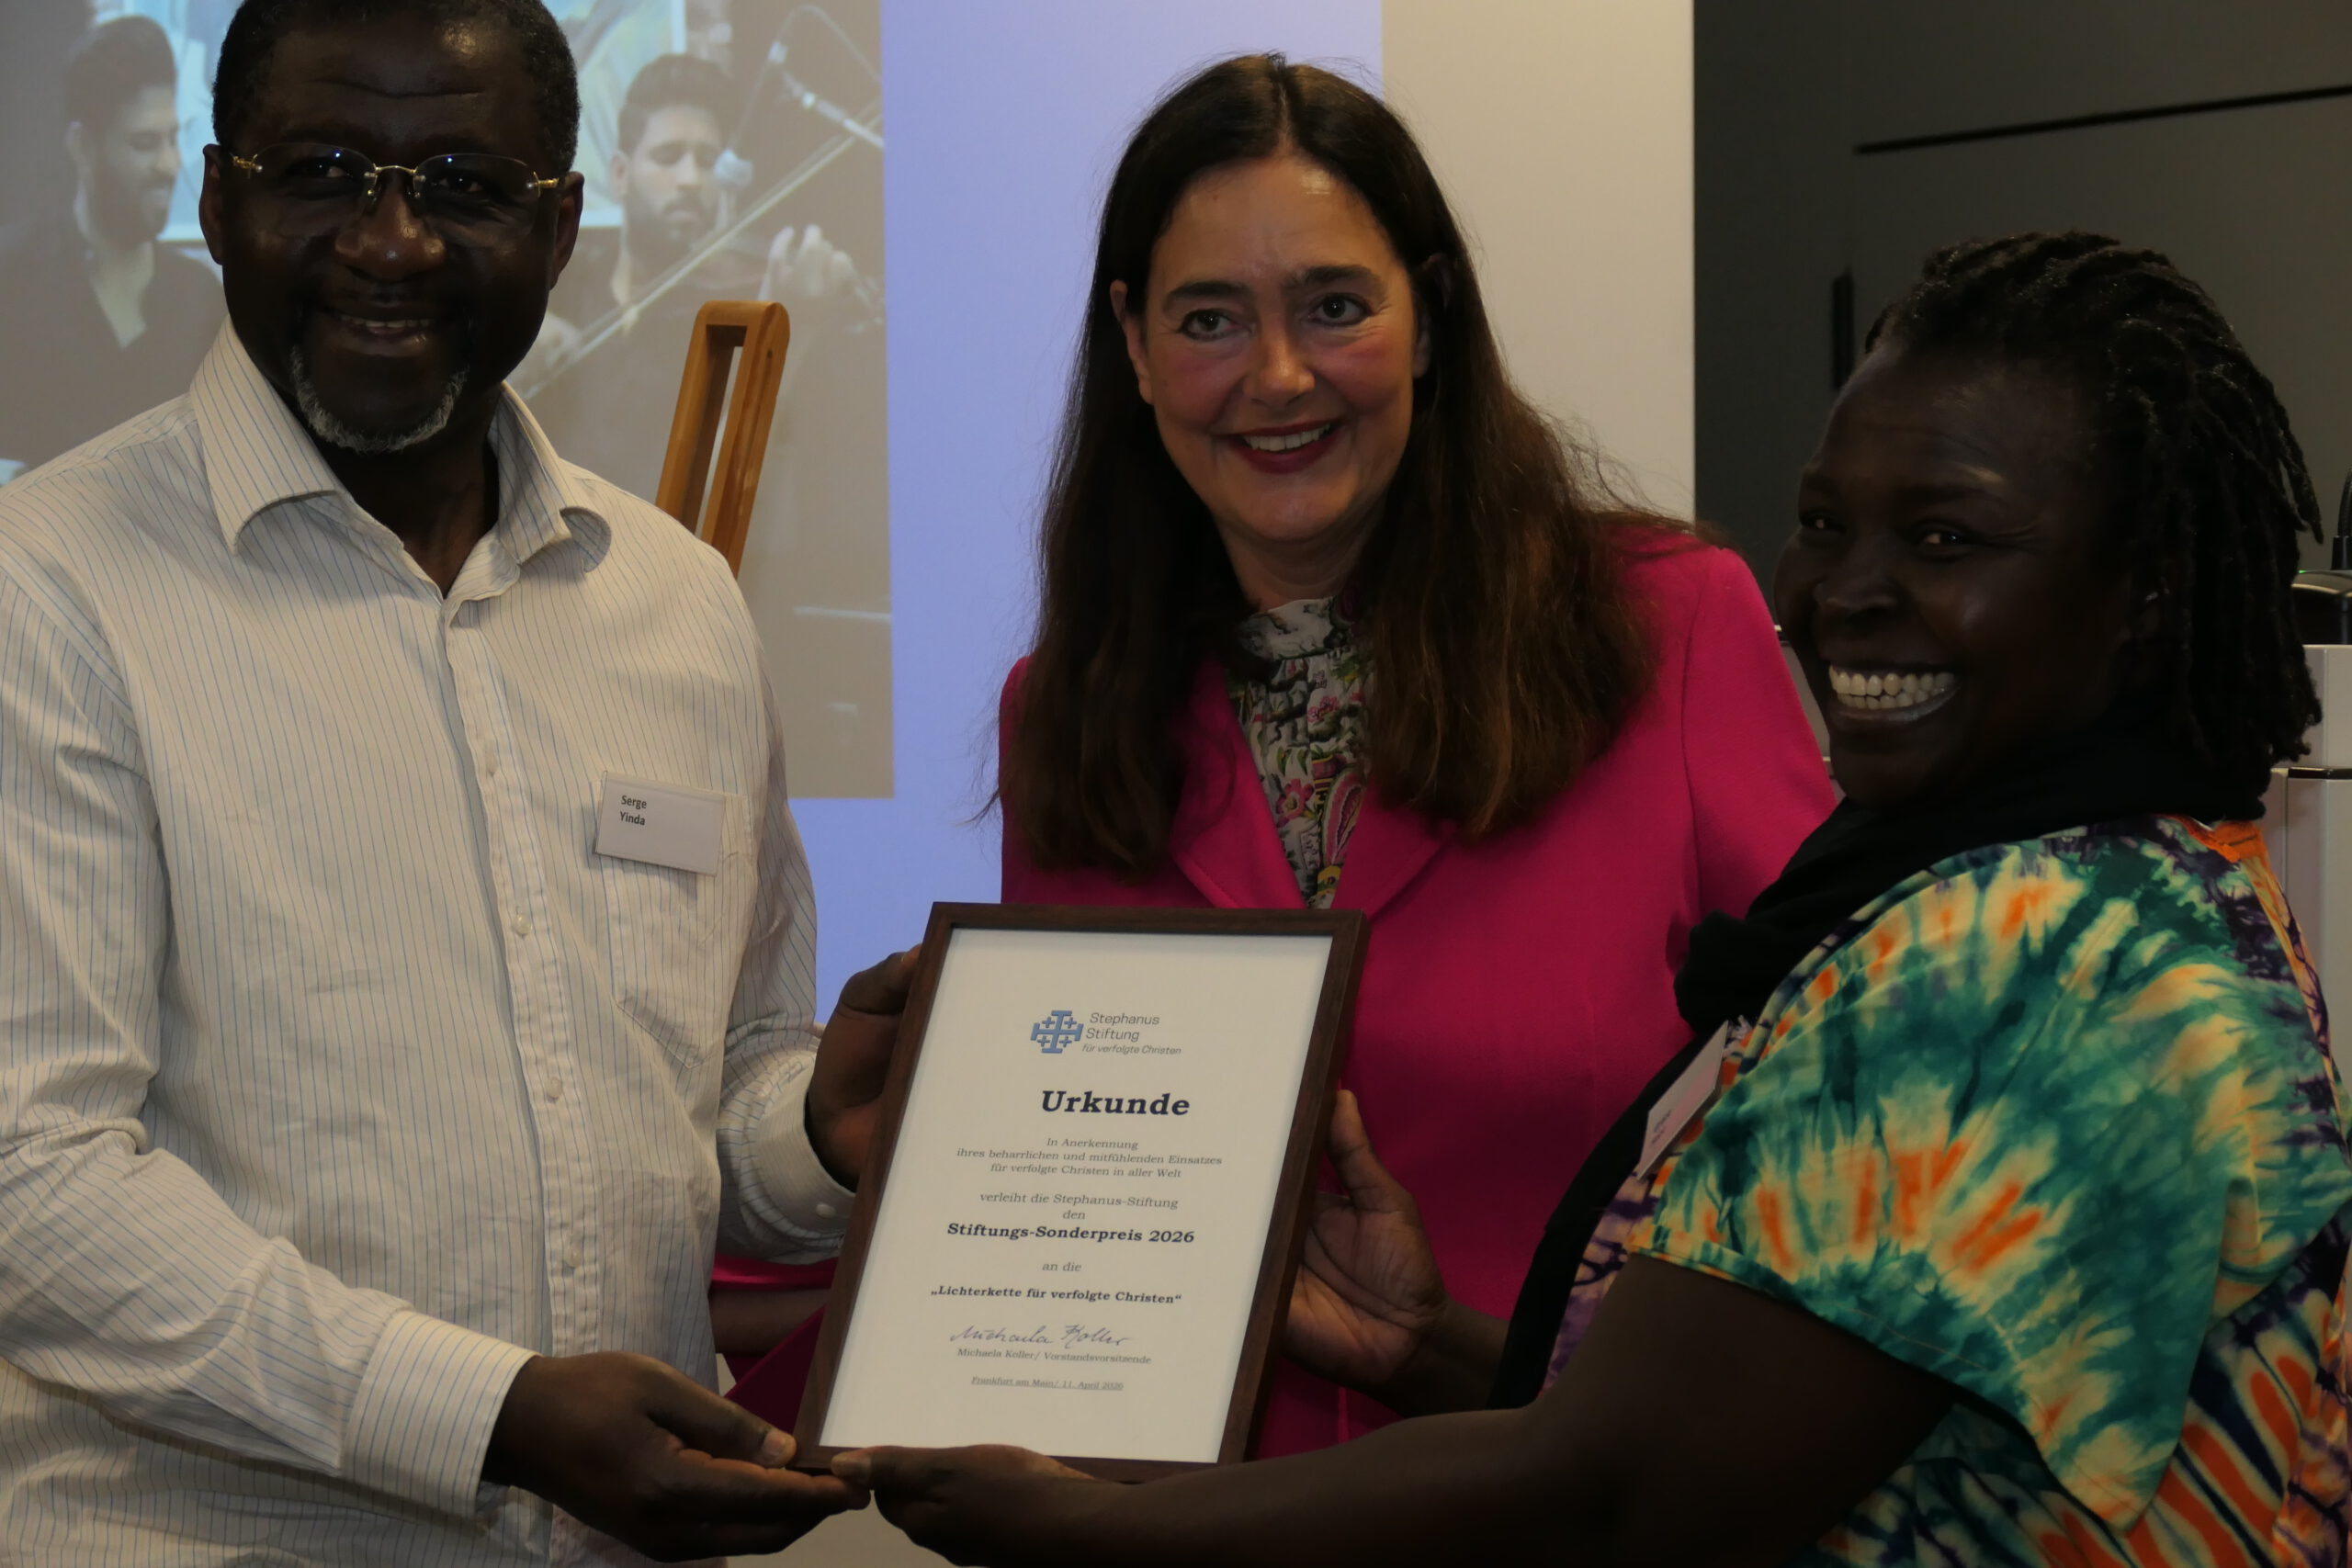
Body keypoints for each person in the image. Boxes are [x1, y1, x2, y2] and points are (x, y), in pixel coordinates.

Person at [840, 231, 2352, 1564]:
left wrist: (1089, 1526)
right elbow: (1758, 1415)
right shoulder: (2124, 887)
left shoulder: (2031, 956)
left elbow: (1621, 1494)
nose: (1845, 590)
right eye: (1828, 522)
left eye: (1946, 539)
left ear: (2146, 589)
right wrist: (1432, 1347)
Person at [747, 53, 1830, 1455]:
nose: (1277, 375)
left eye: (1334, 306)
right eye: (1211, 317)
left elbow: (1833, 1111)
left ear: (1427, 318)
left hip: (1577, 1510)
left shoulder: (1666, 625)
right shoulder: (1066, 709)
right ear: (1133, 346)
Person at [0, 1, 887, 1561]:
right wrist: (493, 1415)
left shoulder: (678, 606)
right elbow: (35, 1188)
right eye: (326, 171)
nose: (392, 243)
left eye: (465, 185)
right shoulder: (50, 588)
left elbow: (709, 1117)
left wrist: (820, 1123)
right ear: (219, 204)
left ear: (559, 229)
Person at [0, 14, 224, 475]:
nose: (169, 164)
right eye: (144, 143)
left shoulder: (200, 300)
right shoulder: (12, 279)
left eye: (172, 138)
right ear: (83, 147)